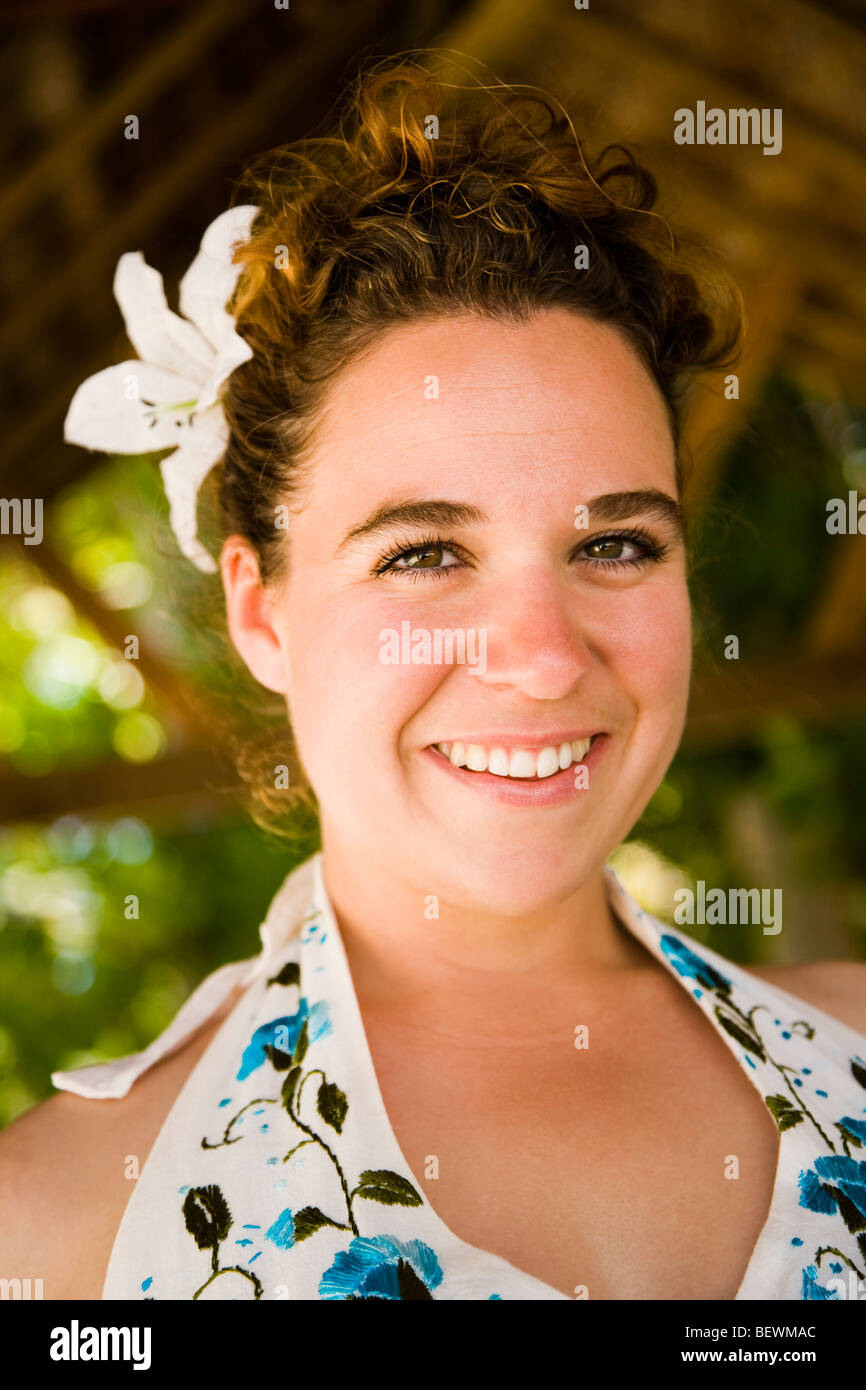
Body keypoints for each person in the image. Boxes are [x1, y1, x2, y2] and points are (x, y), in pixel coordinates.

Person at [2, 54, 865, 1302]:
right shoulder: (61, 1227)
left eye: (611, 543)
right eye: (424, 552)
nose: (541, 655)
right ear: (263, 609)